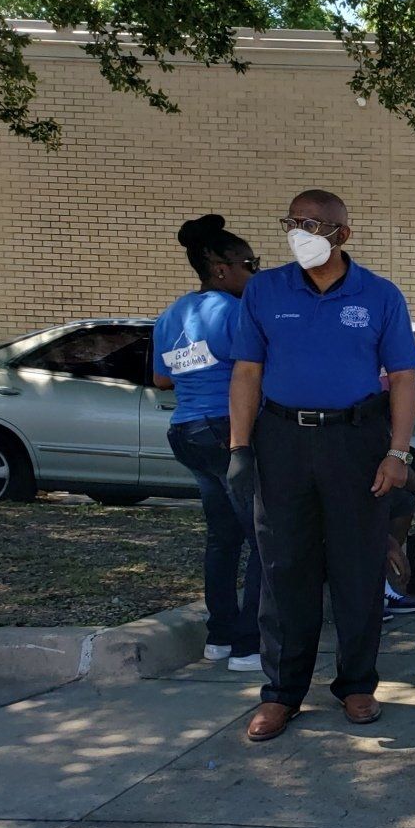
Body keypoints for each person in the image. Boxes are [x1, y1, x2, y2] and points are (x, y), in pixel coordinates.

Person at [228, 189, 415, 743]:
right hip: (282, 440)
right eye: (292, 222)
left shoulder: (379, 295)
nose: (300, 233)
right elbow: (246, 372)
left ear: (342, 235)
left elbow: (403, 378)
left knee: (358, 567)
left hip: (356, 442)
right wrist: (239, 448)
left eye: (313, 224)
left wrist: (398, 452)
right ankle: (281, 694)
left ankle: (357, 684)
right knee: (284, 567)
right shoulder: (265, 290)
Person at [153, 215, 263, 673]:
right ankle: (249, 646)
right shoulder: (235, 312)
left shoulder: (171, 315)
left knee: (223, 537)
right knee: (264, 538)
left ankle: (219, 637)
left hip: (187, 432)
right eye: (249, 264)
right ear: (221, 269)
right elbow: (256, 369)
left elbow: (162, 379)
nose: (255, 272)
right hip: (228, 432)